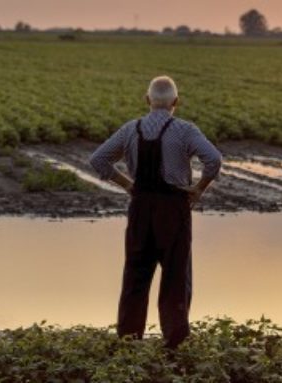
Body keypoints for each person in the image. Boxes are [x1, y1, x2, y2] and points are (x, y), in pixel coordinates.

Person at [89, 75, 222, 349]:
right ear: (176, 102)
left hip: (141, 209)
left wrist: (128, 185)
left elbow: (98, 159)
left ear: (147, 100)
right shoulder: (185, 130)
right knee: (175, 276)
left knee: (135, 275)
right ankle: (175, 344)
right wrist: (199, 189)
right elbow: (214, 159)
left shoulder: (131, 129)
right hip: (174, 210)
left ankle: (128, 342)